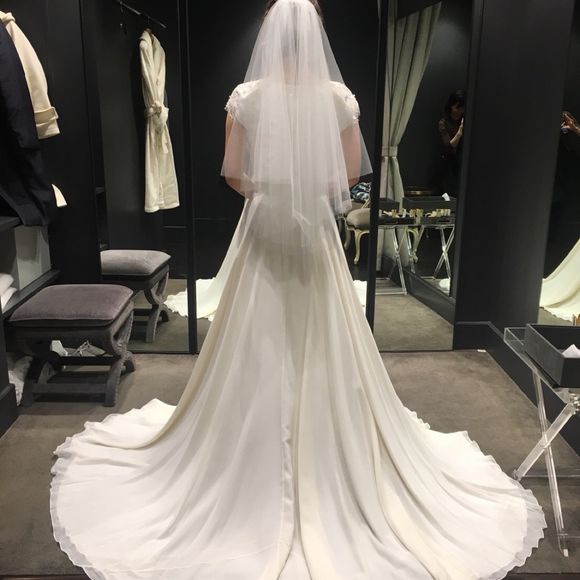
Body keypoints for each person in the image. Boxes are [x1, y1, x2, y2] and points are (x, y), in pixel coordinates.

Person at [49, 1, 546, 578]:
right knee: (325, 324)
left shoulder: (246, 97)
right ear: (317, 37)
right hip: (314, 228)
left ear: (268, 36)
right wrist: (307, 185)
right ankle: (330, 442)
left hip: (266, 222)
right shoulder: (338, 99)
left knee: (254, 327)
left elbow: (234, 175)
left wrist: (274, 188)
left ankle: (246, 444)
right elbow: (350, 176)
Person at [437, 89, 466, 196]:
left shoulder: (466, 119)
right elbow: (449, 145)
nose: (459, 110)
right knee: (449, 194)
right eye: (457, 107)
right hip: (449, 163)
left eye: (462, 108)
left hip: (463, 162)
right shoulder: (443, 123)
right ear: (451, 105)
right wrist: (460, 131)